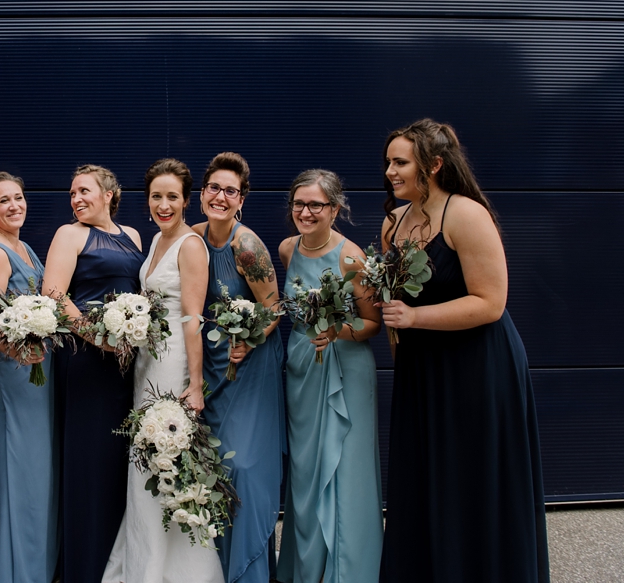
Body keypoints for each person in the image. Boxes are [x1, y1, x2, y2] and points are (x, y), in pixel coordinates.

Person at [377, 118, 549, 582]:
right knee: (428, 481)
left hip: (477, 368)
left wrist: (415, 319)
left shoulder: (466, 214)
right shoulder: (394, 221)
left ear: (433, 165)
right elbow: (394, 302)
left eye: (401, 162)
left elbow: (491, 303)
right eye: (388, 161)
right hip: (423, 372)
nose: (390, 171)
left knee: (472, 482)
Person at [103, 158, 223, 583]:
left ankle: (174, 570)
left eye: (172, 197)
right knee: (146, 460)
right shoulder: (155, 241)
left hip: (173, 364)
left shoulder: (191, 246)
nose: (164, 204)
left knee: (164, 458)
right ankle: (143, 561)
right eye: (157, 196)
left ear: (187, 201)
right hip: (147, 364)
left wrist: (195, 385)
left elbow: (193, 319)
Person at [275, 169, 383, 583]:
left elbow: (373, 322)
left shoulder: (351, 257)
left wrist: (338, 331)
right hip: (302, 367)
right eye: (299, 204)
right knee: (305, 471)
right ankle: (306, 568)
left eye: (315, 205)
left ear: (334, 209)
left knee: (344, 469)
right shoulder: (287, 249)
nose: (305, 212)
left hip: (345, 368)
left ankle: (347, 571)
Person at [43, 164, 145, 583]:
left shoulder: (134, 236)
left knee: (120, 465)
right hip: (86, 362)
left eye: (84, 191)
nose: (76, 200)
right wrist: (98, 337)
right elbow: (53, 295)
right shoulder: (70, 235)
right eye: (71, 194)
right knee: (88, 462)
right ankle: (84, 568)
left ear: (109, 193)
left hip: (125, 367)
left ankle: (118, 566)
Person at [192, 151, 285, 583]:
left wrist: (247, 340)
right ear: (202, 193)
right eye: (215, 188)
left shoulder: (246, 247)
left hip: (249, 367)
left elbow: (274, 308)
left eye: (231, 191)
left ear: (242, 198)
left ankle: (248, 571)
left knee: (244, 469)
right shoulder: (192, 239)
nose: (221, 197)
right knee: (215, 469)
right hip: (209, 368)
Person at [0, 172, 58, 583]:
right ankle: (10, 568)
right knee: (14, 464)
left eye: (18, 197)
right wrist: (18, 351)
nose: (14, 206)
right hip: (9, 370)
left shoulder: (22, 246)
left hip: (32, 369)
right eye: (3, 201)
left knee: (33, 466)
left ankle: (31, 559)